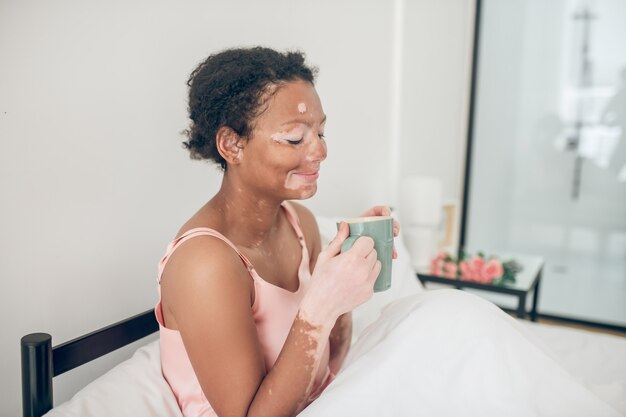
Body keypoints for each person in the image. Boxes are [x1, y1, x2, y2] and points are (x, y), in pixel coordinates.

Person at [155, 46, 398, 417]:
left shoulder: (300, 223)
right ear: (232, 145)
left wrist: (346, 273)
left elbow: (329, 365)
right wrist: (319, 307)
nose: (320, 151)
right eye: (295, 138)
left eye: (321, 132)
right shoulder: (203, 264)